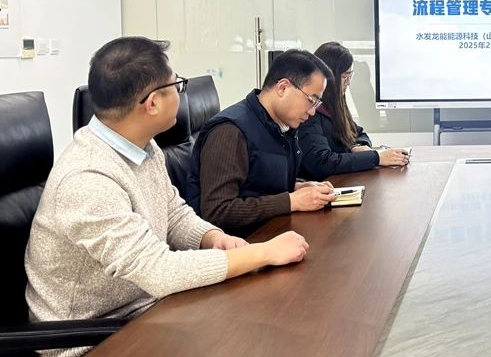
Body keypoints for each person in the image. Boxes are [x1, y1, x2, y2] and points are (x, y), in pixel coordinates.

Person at [25, 37, 309, 357]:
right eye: (176, 85)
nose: (180, 92)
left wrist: (211, 237)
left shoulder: (142, 145)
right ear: (152, 104)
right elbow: (159, 271)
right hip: (88, 339)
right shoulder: (87, 179)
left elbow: (172, 212)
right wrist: (263, 253)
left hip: (147, 307)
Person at [185, 49, 336, 236]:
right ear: (283, 88)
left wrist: (295, 187)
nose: (312, 112)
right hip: (241, 244)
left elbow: (256, 184)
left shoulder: (279, 125)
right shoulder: (230, 132)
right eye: (311, 100)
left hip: (273, 232)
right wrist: (291, 201)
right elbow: (218, 211)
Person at [298, 42, 408, 180]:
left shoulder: (336, 105)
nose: (348, 82)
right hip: (319, 186)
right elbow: (321, 162)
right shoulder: (309, 112)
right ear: (330, 77)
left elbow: (359, 133)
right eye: (345, 76)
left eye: (350, 76)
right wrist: (376, 158)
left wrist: (356, 147)